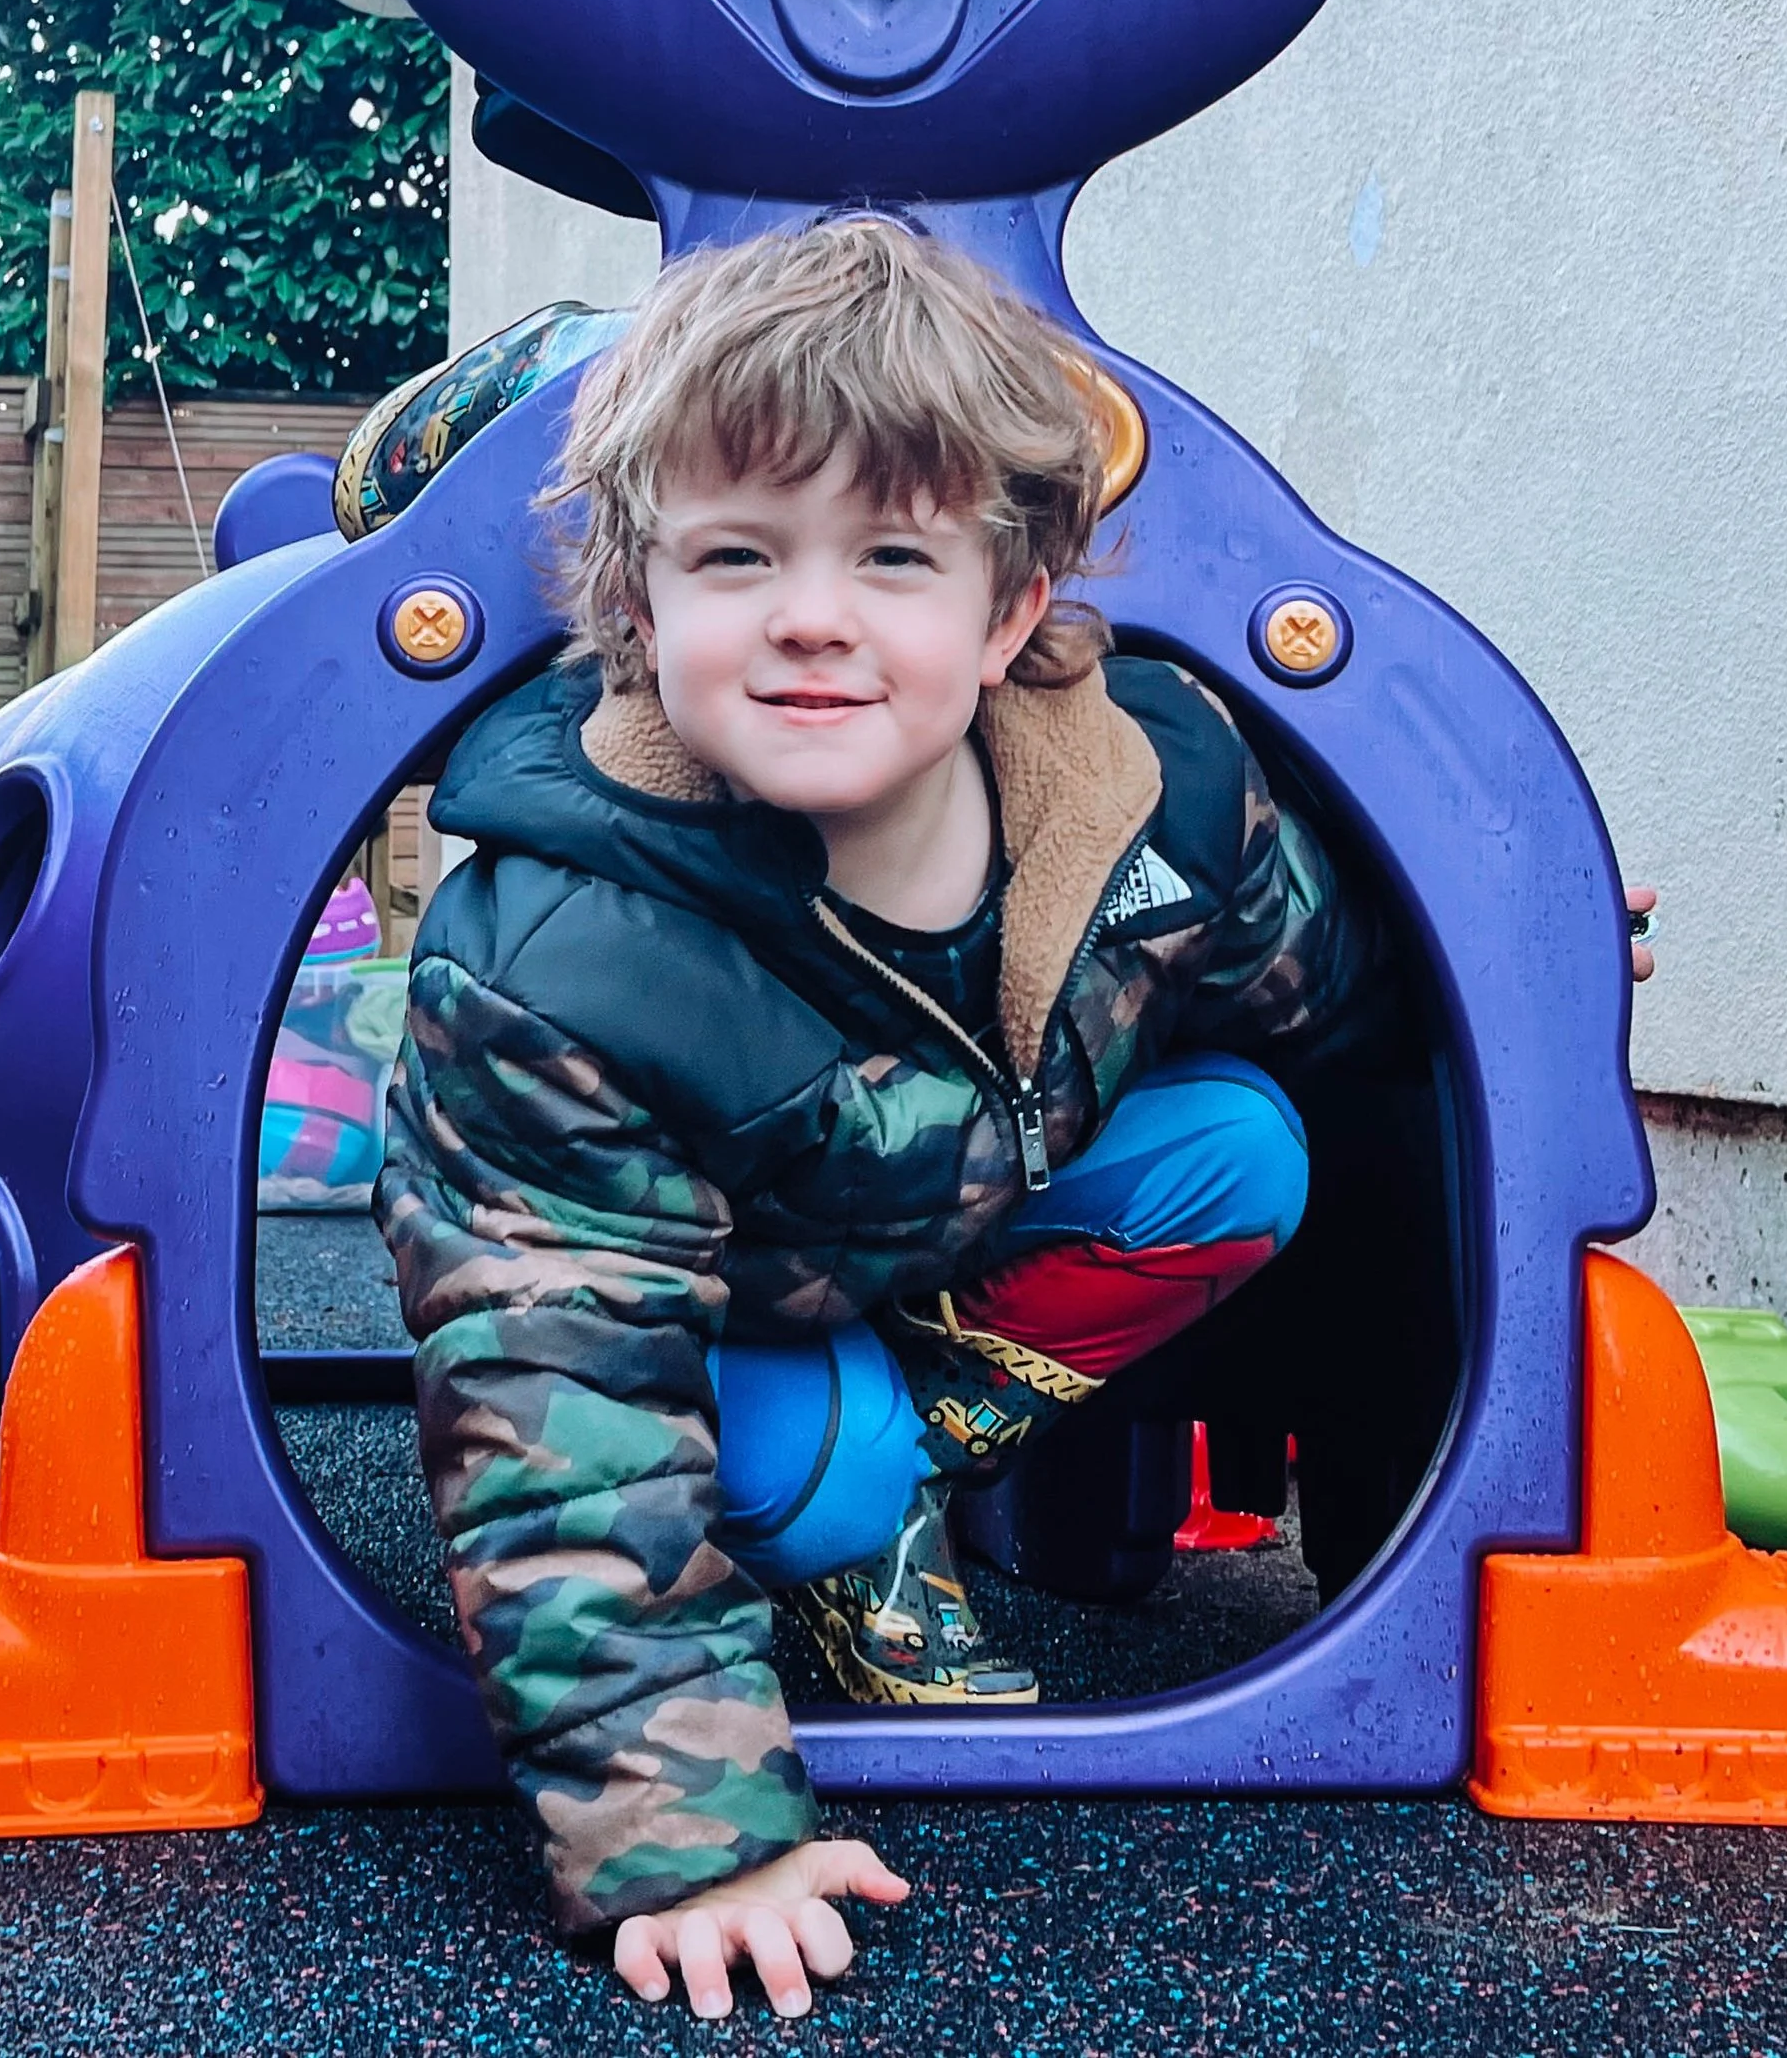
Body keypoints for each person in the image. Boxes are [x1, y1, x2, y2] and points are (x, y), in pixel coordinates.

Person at [375, 218, 1393, 2018]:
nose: (814, 611)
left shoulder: (1146, 800)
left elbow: (1336, 971)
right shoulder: (561, 949)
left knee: (1245, 1147)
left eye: (894, 553)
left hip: (962, 1222)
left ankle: (917, 1460)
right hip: (731, 1310)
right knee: (805, 1458)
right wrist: (685, 1834)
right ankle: (864, 1509)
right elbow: (558, 1385)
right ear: (640, 598)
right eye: (740, 552)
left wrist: (1523, 943)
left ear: (1010, 610)